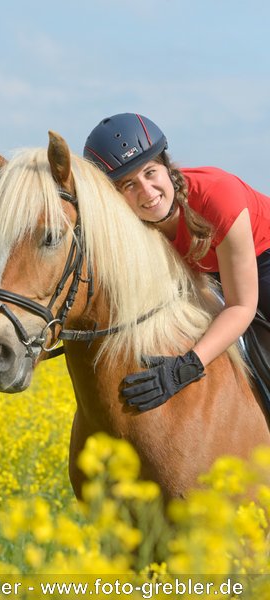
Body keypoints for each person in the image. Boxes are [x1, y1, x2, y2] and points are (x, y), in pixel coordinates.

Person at [83, 112, 270, 412]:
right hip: (214, 270)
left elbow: (241, 305)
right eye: (128, 185)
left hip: (263, 256)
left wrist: (187, 366)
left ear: (167, 166)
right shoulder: (129, 226)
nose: (147, 193)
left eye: (150, 173)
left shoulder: (218, 196)